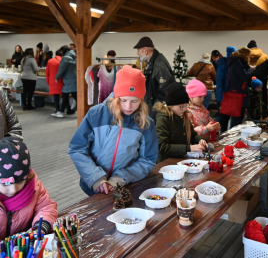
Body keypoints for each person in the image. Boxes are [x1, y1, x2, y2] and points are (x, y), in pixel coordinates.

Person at [69, 65, 158, 196]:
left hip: (126, 184)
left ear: (142, 100)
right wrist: (96, 178)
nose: (128, 106)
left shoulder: (146, 123)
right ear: (116, 97)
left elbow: (148, 159)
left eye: (134, 101)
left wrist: (120, 178)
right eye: (123, 100)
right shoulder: (96, 114)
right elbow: (77, 148)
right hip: (94, 183)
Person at [0, 137, 58, 239]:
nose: (13, 189)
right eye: (5, 184)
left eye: (20, 182)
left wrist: (41, 226)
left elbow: (46, 207)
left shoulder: (35, 188)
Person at [154, 82, 207, 163]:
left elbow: (192, 134)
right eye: (181, 106)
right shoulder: (163, 118)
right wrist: (189, 148)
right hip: (167, 163)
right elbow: (162, 147)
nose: (184, 109)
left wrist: (200, 140)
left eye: (186, 105)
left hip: (182, 160)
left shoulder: (183, 115)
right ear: (170, 105)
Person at [134, 36, 175, 119]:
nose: (137, 53)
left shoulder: (159, 64)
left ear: (145, 50)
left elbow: (166, 91)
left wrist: (154, 111)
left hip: (157, 112)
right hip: (154, 110)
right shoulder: (152, 63)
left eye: (138, 50)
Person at [225, 50, 253, 127]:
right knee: (238, 120)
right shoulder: (238, 64)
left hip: (235, 93)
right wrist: (251, 69)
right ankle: (235, 137)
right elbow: (245, 77)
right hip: (239, 95)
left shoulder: (233, 63)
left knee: (235, 119)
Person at [247, 40, 268, 118]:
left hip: (250, 86)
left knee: (252, 107)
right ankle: (266, 121)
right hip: (262, 84)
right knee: (264, 105)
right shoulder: (264, 56)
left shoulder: (247, 57)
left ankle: (252, 123)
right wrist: (263, 74)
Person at [216, 46, 237, 132]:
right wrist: (221, 98)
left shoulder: (227, 65)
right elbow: (220, 83)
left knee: (226, 117)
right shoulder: (223, 66)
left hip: (228, 95)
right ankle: (222, 136)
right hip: (224, 96)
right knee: (224, 119)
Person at [55, 45, 77, 115]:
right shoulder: (73, 56)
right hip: (73, 78)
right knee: (66, 96)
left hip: (68, 79)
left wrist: (57, 77)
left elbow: (61, 69)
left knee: (74, 97)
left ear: (63, 51)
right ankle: (61, 111)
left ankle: (61, 111)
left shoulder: (66, 58)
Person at [46, 49, 64, 118]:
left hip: (53, 81)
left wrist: (48, 82)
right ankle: (67, 109)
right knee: (65, 96)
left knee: (56, 97)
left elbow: (47, 72)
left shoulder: (50, 61)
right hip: (62, 81)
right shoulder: (63, 61)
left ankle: (57, 110)